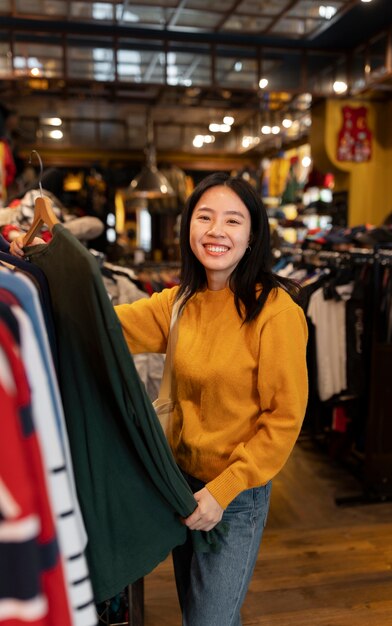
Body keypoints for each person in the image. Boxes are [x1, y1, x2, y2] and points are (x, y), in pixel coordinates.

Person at [11, 171, 308, 626]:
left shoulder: (276, 314)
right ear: (187, 226)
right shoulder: (181, 302)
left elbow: (283, 420)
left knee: (210, 617)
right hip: (181, 484)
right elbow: (101, 321)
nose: (215, 231)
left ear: (252, 235)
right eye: (204, 217)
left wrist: (223, 491)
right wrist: (36, 273)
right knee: (201, 611)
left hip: (234, 494)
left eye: (232, 221)